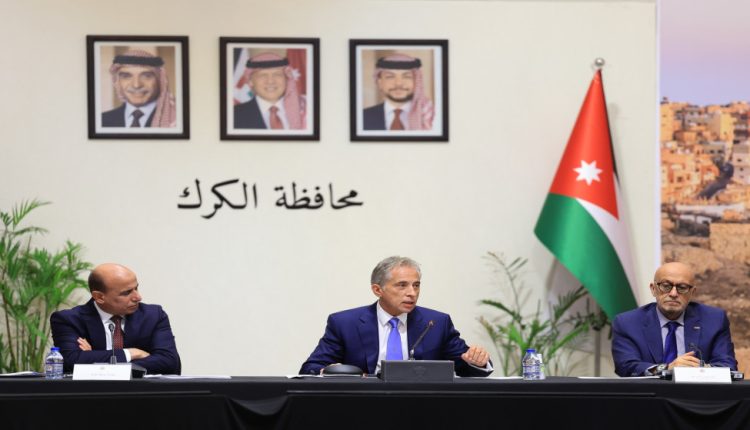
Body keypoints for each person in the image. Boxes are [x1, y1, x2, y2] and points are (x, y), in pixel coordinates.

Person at [299, 256, 492, 376]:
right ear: (377, 290)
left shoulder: (436, 323)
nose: (412, 293)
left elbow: (465, 366)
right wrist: (330, 371)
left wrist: (478, 361)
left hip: (421, 407)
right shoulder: (344, 323)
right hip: (363, 405)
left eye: (416, 285)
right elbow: (311, 367)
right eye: (402, 285)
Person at [50, 263, 181, 374]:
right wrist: (131, 353)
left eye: (136, 288)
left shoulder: (153, 315)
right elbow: (70, 361)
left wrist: (95, 359)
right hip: (92, 394)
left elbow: (169, 362)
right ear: (99, 297)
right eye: (127, 292)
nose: (138, 297)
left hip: (142, 393)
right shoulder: (69, 320)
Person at [612, 261, 737, 377]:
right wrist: (667, 369)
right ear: (653, 289)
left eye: (682, 287)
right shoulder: (627, 323)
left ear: (692, 293)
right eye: (666, 286)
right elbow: (625, 366)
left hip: (697, 392)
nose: (673, 294)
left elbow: (728, 366)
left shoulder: (714, 320)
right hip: (649, 393)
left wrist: (700, 368)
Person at [101, 49, 176, 128]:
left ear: (160, 80)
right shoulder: (101, 120)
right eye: (126, 76)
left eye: (147, 76)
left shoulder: (176, 119)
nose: (136, 85)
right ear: (117, 81)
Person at [233, 52, 306, 129]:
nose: (270, 81)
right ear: (250, 81)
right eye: (263, 75)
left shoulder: (305, 113)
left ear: (287, 78)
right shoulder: (234, 116)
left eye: (277, 74)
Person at [362, 54, 434, 131]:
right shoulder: (361, 117)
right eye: (390, 77)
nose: (398, 83)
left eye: (407, 77)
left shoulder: (431, 117)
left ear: (417, 81)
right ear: (380, 83)